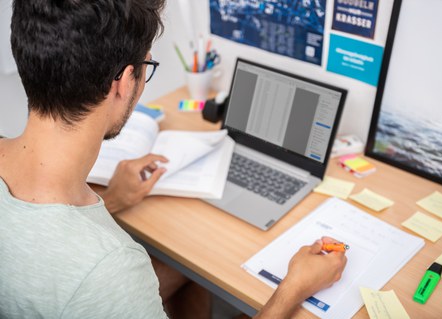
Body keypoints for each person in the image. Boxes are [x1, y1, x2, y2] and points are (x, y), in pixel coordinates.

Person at [0, 1, 347, 319]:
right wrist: (294, 287)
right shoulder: (110, 269)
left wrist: (113, 200)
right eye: (146, 66)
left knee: (187, 271)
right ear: (123, 83)